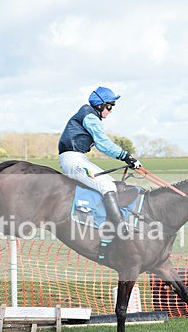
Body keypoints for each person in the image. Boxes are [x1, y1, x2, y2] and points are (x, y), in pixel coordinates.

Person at [58, 86, 141, 237]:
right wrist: (126, 156)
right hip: (73, 160)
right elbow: (103, 144)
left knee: (113, 185)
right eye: (110, 106)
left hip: (78, 158)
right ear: (100, 105)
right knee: (107, 186)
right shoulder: (90, 117)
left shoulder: (89, 114)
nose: (111, 110)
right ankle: (119, 227)